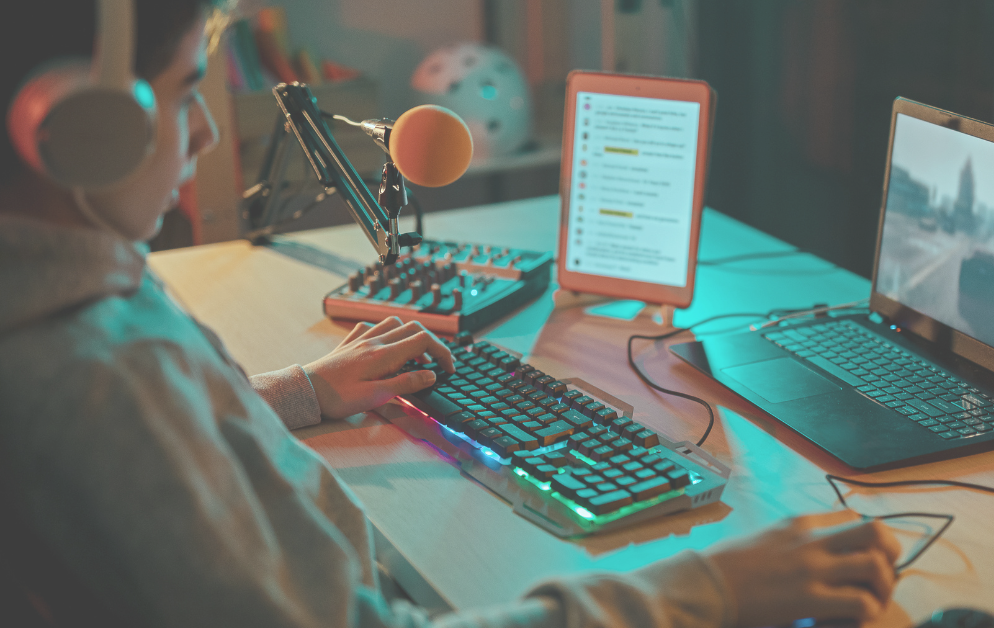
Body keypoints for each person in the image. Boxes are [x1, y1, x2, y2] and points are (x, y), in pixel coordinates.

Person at [0, 2, 902, 627]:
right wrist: (704, 594)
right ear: (73, 124)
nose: (200, 131)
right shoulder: (93, 376)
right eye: (181, 89)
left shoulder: (70, 286)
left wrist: (302, 389)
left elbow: (162, 450)